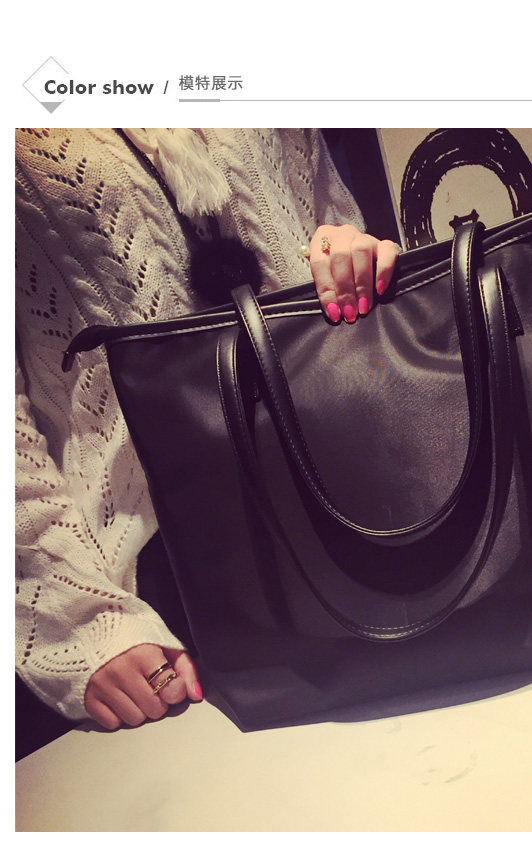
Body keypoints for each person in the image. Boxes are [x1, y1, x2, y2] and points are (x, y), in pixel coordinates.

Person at [15, 128, 400, 732]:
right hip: (169, 592)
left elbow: (327, 222)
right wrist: (78, 613)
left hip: (356, 502)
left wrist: (348, 250)